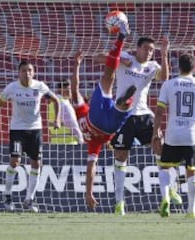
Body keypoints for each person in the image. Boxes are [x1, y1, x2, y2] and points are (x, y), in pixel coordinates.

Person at [96, 36, 182, 215]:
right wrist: (120, 59)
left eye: (152, 50)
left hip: (143, 115)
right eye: (146, 49)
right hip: (123, 115)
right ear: (137, 49)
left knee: (160, 146)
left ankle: (170, 188)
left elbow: (164, 78)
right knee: (121, 155)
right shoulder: (126, 57)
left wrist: (164, 54)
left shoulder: (152, 66)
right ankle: (119, 203)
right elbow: (98, 57)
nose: (149, 52)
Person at [71, 21, 136, 210]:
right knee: (109, 76)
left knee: (123, 106)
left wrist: (88, 193)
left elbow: (92, 167)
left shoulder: (93, 144)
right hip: (96, 117)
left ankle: (123, 102)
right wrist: (76, 66)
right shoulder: (82, 111)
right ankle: (122, 37)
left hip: (106, 128)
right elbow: (75, 90)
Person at [0, 61, 61, 212]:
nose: (27, 73)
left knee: (36, 164)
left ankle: (29, 199)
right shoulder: (12, 88)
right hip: (17, 130)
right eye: (24, 70)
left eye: (30, 70)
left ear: (33, 72)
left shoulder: (40, 86)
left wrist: (57, 119)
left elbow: (55, 100)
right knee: (15, 162)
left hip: (36, 130)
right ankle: (7, 195)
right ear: (19, 72)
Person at [151, 53, 195, 218]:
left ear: (178, 67)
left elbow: (159, 111)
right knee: (191, 172)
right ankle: (191, 210)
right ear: (194, 68)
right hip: (192, 135)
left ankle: (165, 199)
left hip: (173, 134)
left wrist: (155, 133)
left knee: (165, 167)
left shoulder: (169, 84)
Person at [48, 79, 84, 145]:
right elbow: (72, 124)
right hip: (70, 143)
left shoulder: (52, 103)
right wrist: (81, 140)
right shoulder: (64, 104)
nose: (70, 91)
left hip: (55, 142)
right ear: (60, 90)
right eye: (68, 89)